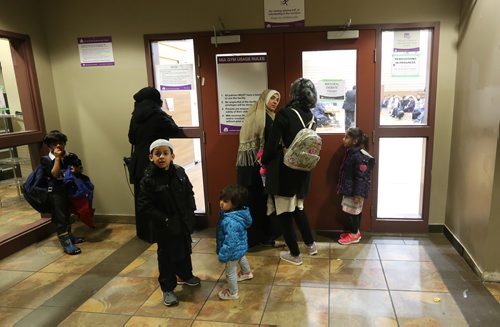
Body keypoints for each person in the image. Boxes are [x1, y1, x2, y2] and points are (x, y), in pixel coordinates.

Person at [261, 78, 319, 266]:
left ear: (294, 94)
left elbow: (271, 146)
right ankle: (311, 245)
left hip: (284, 171)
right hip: (303, 171)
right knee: (298, 208)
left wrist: (263, 160)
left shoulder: (284, 114)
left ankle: (295, 254)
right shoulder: (312, 117)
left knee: (285, 213)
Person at [137, 139, 200, 307]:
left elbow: (189, 191)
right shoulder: (148, 180)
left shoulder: (179, 172)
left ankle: (185, 274)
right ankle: (168, 288)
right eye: (158, 154)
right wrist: (164, 219)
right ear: (151, 157)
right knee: (167, 257)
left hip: (182, 221)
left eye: (165, 153)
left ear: (172, 156)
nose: (162, 157)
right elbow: (145, 206)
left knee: (184, 249)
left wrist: (190, 212)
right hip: (164, 226)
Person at [128, 86, 179, 242]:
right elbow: (174, 130)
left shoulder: (135, 116)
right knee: (157, 198)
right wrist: (168, 116)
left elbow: (131, 138)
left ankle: (144, 233)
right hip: (156, 163)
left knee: (142, 199)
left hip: (138, 163)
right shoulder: (158, 115)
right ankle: (156, 233)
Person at [236, 89, 283, 248]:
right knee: (253, 203)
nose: (275, 101)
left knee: (260, 203)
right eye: (272, 98)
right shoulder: (258, 115)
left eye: (277, 99)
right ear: (265, 99)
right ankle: (252, 239)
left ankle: (262, 237)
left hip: (259, 167)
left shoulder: (271, 116)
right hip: (252, 168)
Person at [41, 130, 85, 255]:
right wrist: (57, 159)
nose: (58, 146)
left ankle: (70, 237)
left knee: (68, 215)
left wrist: (76, 169)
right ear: (49, 146)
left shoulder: (70, 156)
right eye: (54, 144)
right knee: (60, 218)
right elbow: (54, 174)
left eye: (61, 143)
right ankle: (66, 243)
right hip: (56, 192)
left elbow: (79, 171)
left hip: (68, 189)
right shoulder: (46, 160)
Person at [337, 128, 375, 245]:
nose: (343, 139)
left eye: (346, 137)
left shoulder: (359, 156)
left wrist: (358, 194)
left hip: (355, 191)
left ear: (355, 141)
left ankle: (354, 234)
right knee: (352, 212)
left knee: (354, 213)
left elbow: (361, 177)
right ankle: (354, 232)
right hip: (350, 189)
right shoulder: (351, 152)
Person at [216, 184, 253, 300]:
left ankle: (233, 293)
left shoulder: (230, 221)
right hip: (240, 246)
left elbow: (230, 242)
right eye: (221, 199)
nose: (221, 203)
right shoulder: (240, 215)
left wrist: (224, 255)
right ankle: (246, 273)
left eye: (225, 201)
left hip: (231, 251)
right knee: (241, 256)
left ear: (235, 204)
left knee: (230, 272)